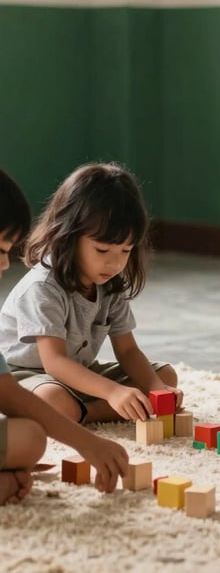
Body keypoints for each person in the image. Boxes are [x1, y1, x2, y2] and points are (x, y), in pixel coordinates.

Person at [0, 162, 183, 427]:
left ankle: (80, 410)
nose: (115, 264)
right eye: (102, 250)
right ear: (68, 236)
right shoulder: (42, 287)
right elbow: (55, 362)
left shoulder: (109, 284)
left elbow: (128, 350)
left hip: (78, 373)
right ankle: (86, 413)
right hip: (27, 375)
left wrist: (156, 388)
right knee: (54, 399)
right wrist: (112, 392)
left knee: (166, 376)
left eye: (126, 250)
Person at [0, 168, 129, 506]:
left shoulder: (111, 287)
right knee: (31, 431)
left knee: (29, 437)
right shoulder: (43, 287)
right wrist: (87, 442)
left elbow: (6, 395)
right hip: (37, 376)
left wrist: (86, 442)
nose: (3, 265)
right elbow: (18, 388)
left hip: (58, 383)